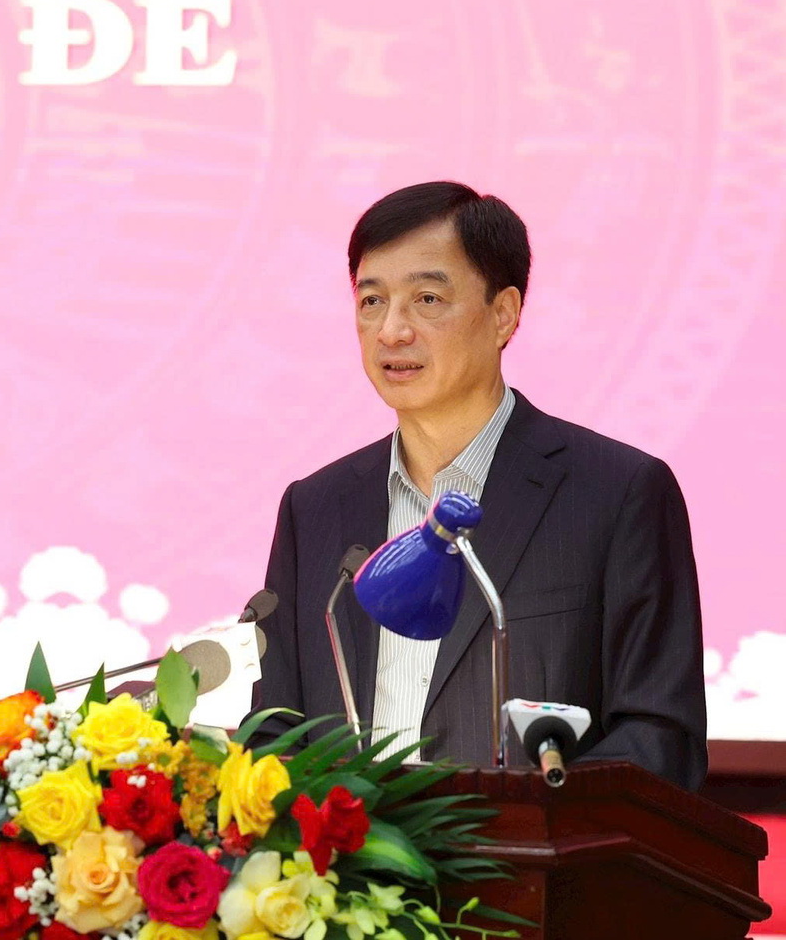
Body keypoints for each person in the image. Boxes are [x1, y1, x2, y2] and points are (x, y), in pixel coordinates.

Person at [250, 181, 707, 790]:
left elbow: (659, 741)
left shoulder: (617, 493)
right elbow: (274, 735)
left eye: (427, 298)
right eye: (372, 301)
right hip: (347, 853)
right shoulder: (314, 508)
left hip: (530, 852)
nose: (392, 331)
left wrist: (526, 820)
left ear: (503, 314)